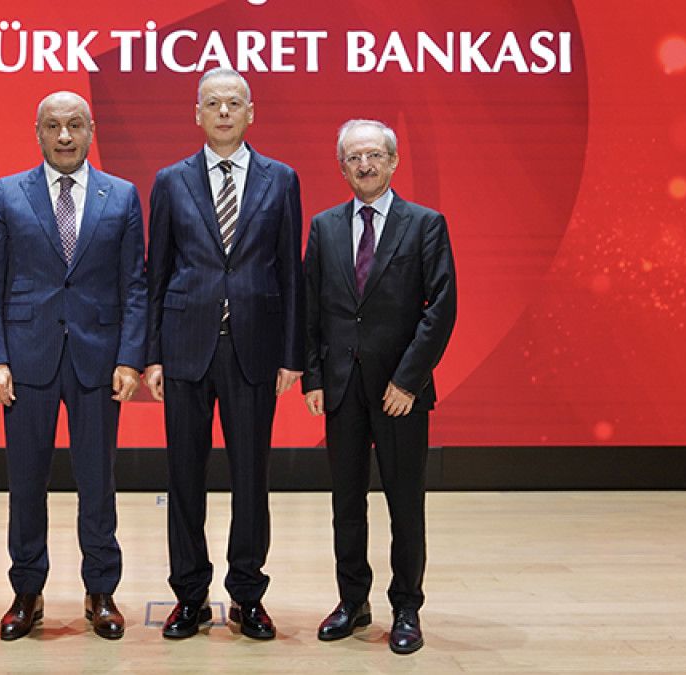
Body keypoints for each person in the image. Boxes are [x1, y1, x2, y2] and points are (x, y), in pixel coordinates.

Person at [0, 91, 147, 641]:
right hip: (26, 359)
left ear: (91, 129)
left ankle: (101, 590)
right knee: (26, 481)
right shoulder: (6, 193)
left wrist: (130, 358)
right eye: (53, 126)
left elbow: (135, 285)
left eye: (75, 125)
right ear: (38, 132)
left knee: (97, 481)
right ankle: (27, 591)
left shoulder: (122, 195)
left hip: (99, 359)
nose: (65, 136)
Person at [144, 67, 304, 641]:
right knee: (184, 477)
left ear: (251, 112)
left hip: (253, 349)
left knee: (251, 479)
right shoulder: (171, 180)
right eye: (213, 103)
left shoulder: (281, 179)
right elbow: (156, 273)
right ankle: (189, 596)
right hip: (185, 348)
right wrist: (152, 354)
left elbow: (290, 272)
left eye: (234, 103)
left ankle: (247, 594)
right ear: (197, 114)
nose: (224, 112)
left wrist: (293, 354)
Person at [302, 119, 457, 654]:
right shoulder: (324, 227)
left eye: (373, 155)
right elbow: (311, 309)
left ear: (393, 161)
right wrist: (314, 378)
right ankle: (353, 601)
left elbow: (440, 309)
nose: (364, 165)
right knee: (346, 503)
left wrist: (409, 380)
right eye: (353, 158)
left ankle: (406, 607)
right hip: (341, 387)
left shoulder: (425, 224)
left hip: (399, 393)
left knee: (404, 504)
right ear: (341, 167)